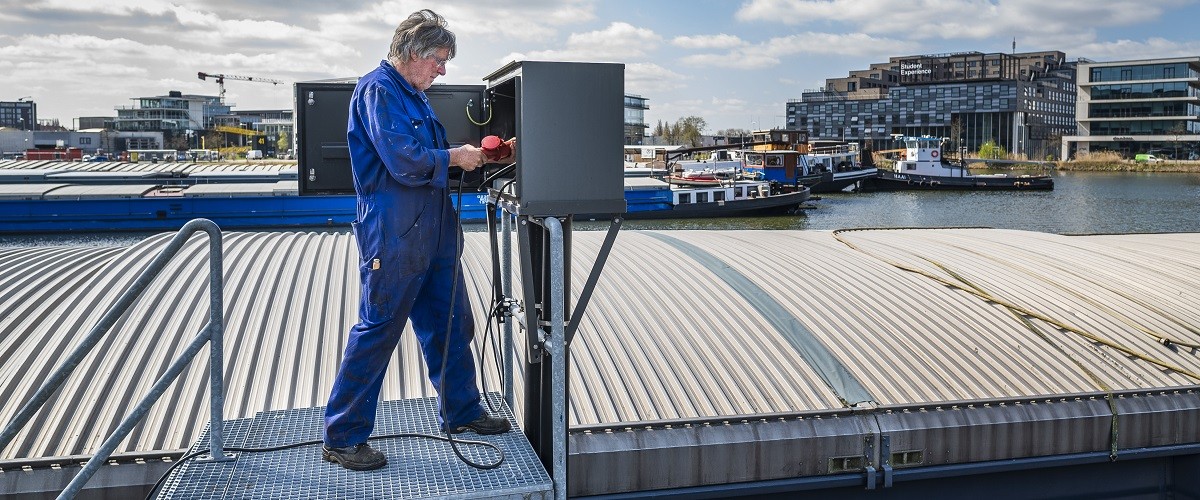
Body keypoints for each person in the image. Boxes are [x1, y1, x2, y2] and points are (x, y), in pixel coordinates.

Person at [322, 8, 512, 472]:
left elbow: (429, 159)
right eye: (439, 60)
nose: (443, 70)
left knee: (451, 322)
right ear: (412, 53)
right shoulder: (379, 90)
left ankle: (462, 411)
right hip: (395, 233)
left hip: (434, 230)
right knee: (379, 330)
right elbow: (404, 161)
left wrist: (480, 158)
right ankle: (343, 436)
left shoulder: (414, 94)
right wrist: (457, 155)